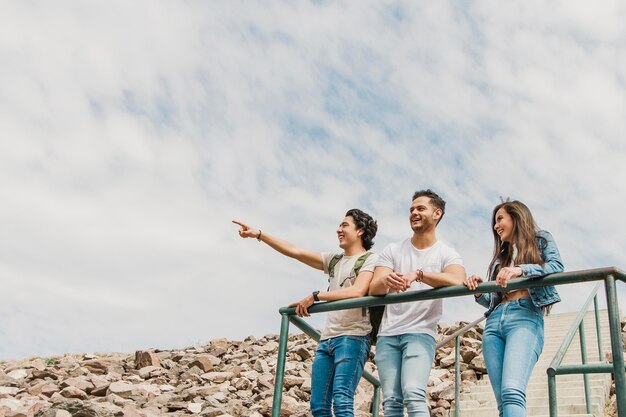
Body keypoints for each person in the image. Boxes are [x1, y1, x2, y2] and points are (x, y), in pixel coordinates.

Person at [232, 209, 378, 417]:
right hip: (327, 339)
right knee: (318, 406)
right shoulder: (334, 261)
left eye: (344, 225)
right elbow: (296, 251)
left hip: (353, 336)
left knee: (342, 401)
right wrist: (260, 235)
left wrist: (316, 296)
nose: (338, 229)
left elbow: (358, 290)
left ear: (360, 230)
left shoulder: (370, 259)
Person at [369, 189, 466, 417]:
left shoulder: (446, 253)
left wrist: (420, 275)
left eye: (421, 208)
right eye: (411, 209)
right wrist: (387, 280)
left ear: (437, 213)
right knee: (391, 400)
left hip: (420, 332)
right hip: (388, 334)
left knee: (413, 393)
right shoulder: (393, 249)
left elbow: (458, 278)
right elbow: (375, 287)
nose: (414, 212)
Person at [463, 200, 564, 417]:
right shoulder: (502, 256)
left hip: (525, 316)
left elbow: (556, 267)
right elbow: (492, 299)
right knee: (503, 403)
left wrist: (520, 270)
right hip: (494, 323)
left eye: (500, 219)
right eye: (494, 222)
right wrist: (479, 290)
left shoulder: (541, 239)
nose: (495, 226)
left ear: (516, 217)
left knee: (512, 392)